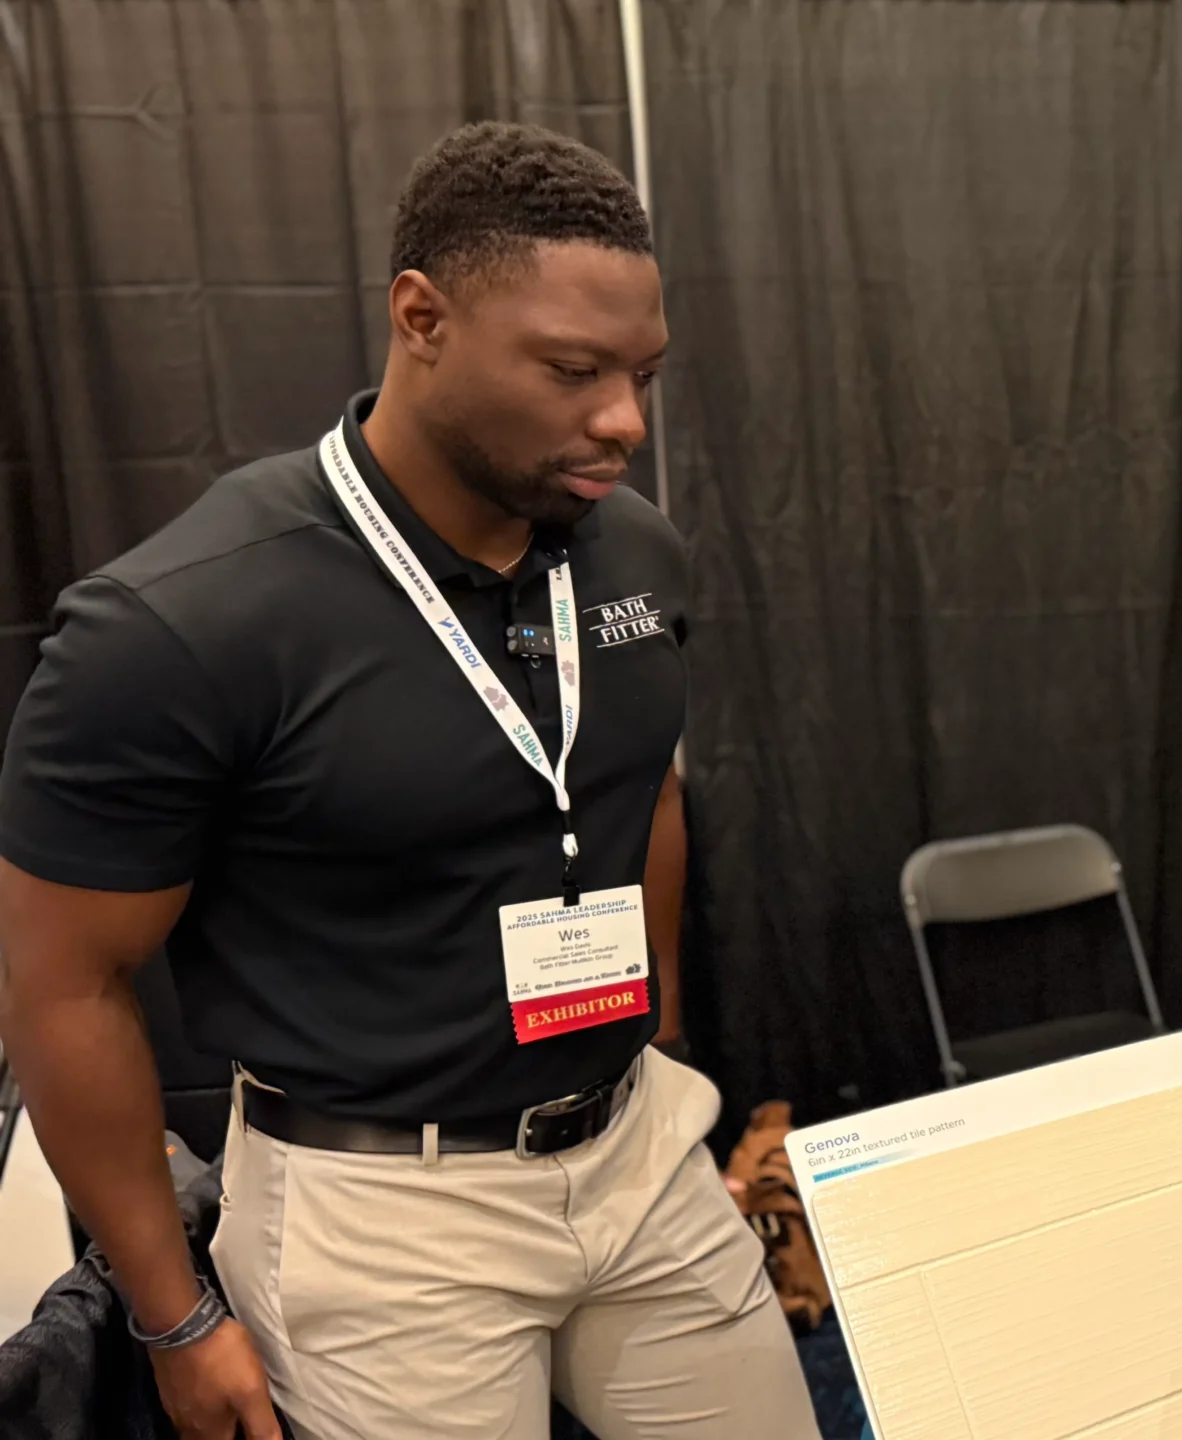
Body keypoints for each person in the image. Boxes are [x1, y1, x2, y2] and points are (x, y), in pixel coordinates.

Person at [0, 122, 820, 1440]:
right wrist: (172, 1316)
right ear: (422, 318)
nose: (624, 419)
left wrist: (658, 1058)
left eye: (644, 373)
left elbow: (643, 796)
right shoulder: (181, 622)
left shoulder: (634, 554)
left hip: (636, 1156)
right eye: (573, 370)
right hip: (381, 1215)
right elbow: (62, 984)